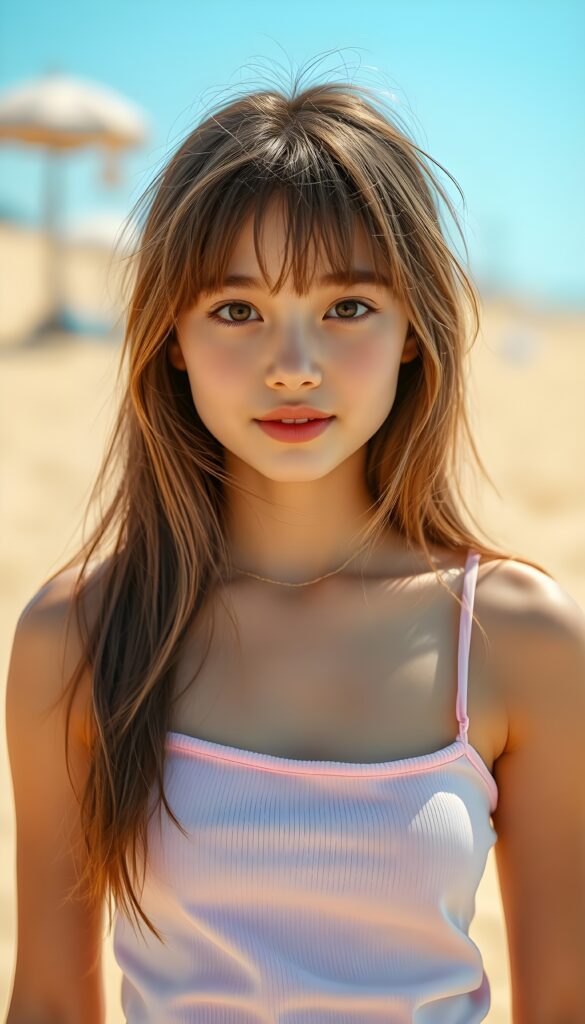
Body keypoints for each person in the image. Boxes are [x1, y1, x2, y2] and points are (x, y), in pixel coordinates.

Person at [5, 67, 585, 1024]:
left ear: (411, 330)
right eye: (237, 311)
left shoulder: (521, 640)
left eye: (346, 307)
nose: (293, 367)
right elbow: (50, 1005)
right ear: (173, 340)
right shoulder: (78, 636)